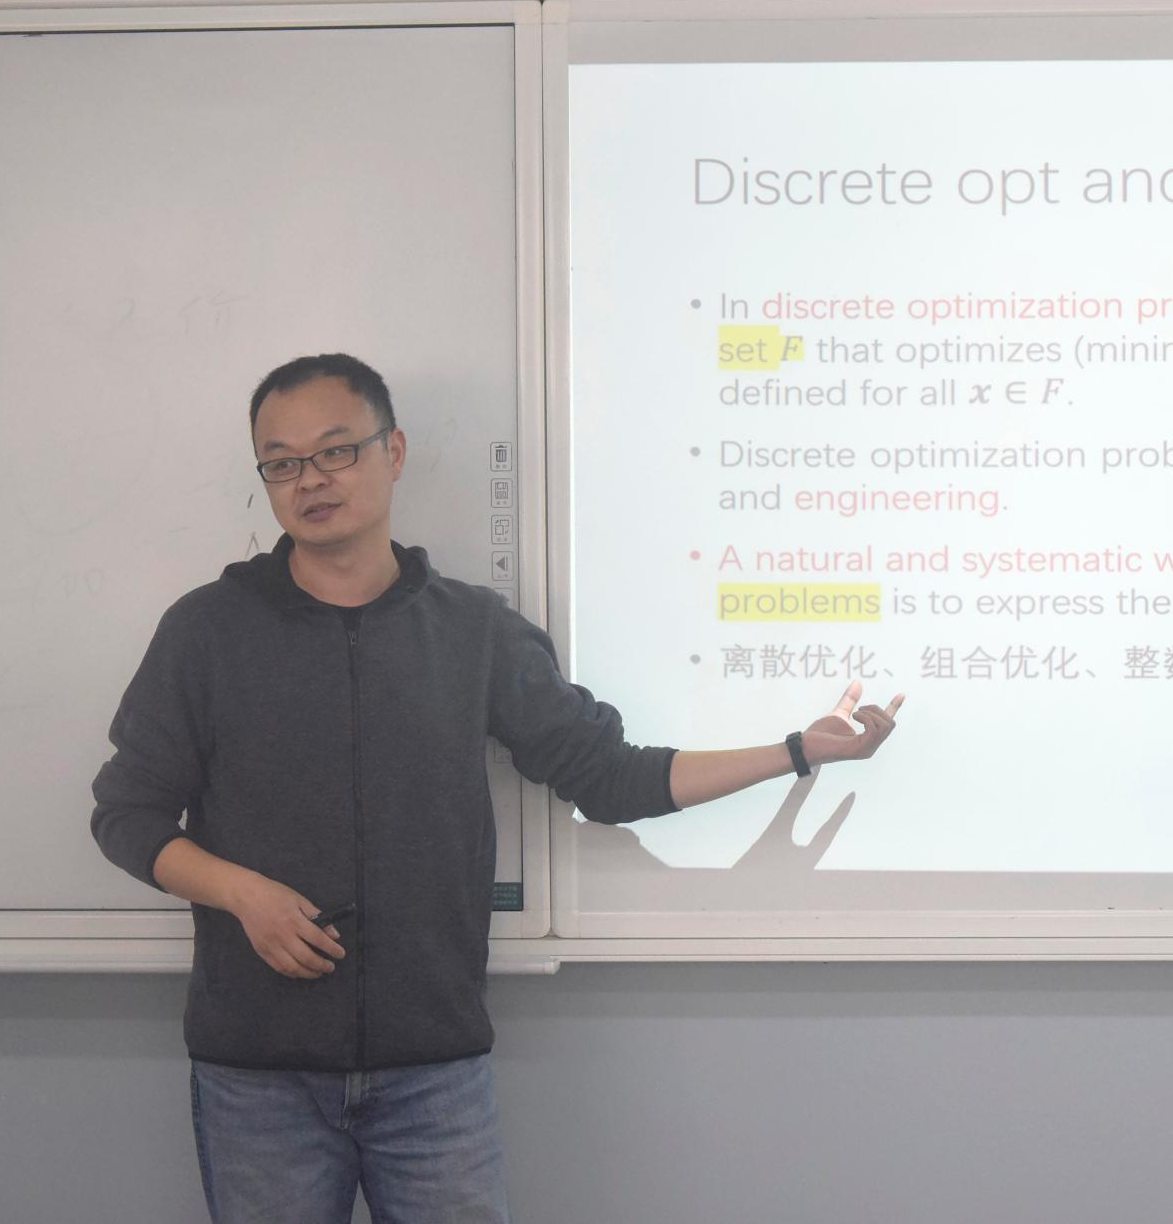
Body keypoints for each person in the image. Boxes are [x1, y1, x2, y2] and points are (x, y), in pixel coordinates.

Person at [88, 352, 903, 1223]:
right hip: (258, 1072)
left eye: (335, 451)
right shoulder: (209, 631)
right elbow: (126, 813)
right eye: (281, 463)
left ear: (394, 451)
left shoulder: (471, 631)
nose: (310, 480)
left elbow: (609, 776)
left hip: (432, 1073)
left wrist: (795, 750)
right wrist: (240, 893)